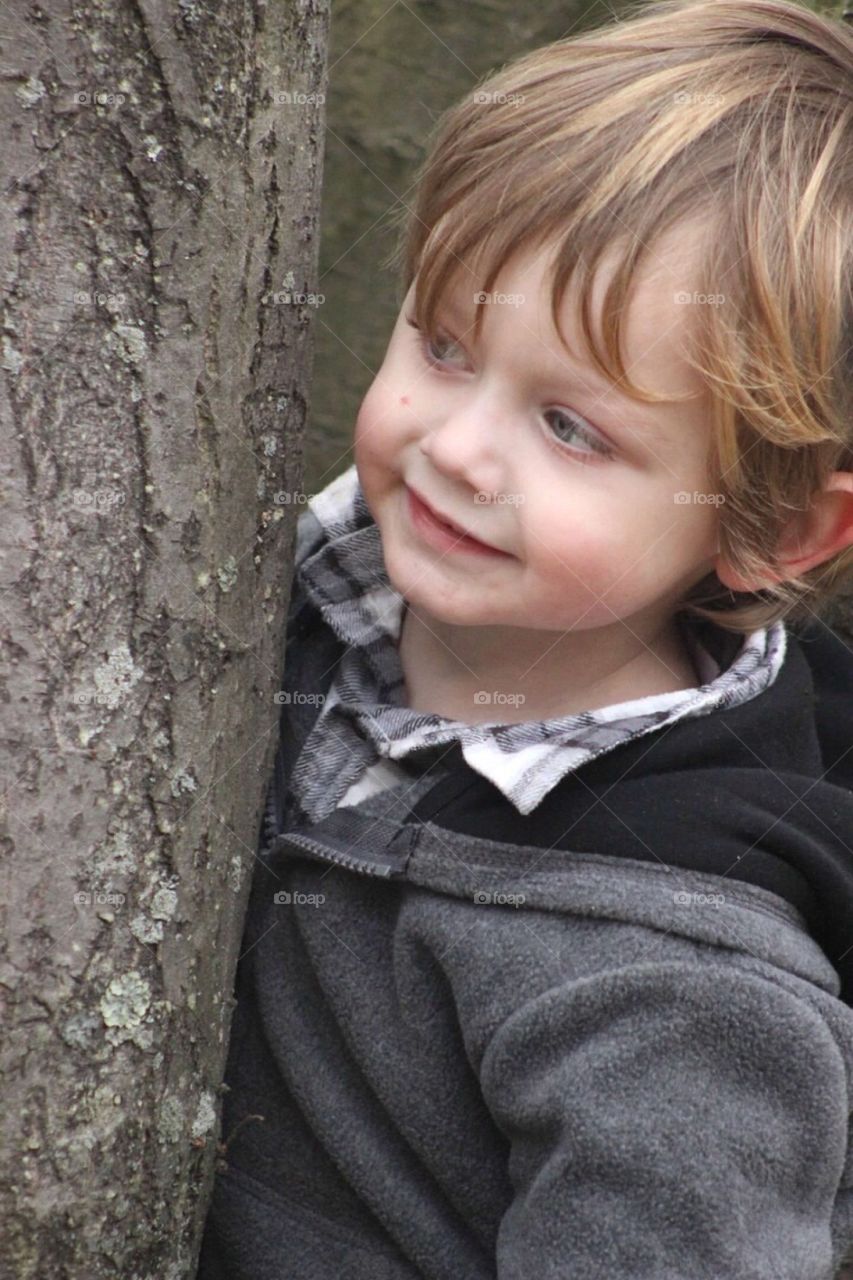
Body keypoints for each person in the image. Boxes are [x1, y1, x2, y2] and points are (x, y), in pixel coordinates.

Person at [197, 0, 853, 1275]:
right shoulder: (284, 592)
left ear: (774, 530)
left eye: (570, 427)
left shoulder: (675, 986)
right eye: (443, 344)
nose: (453, 445)